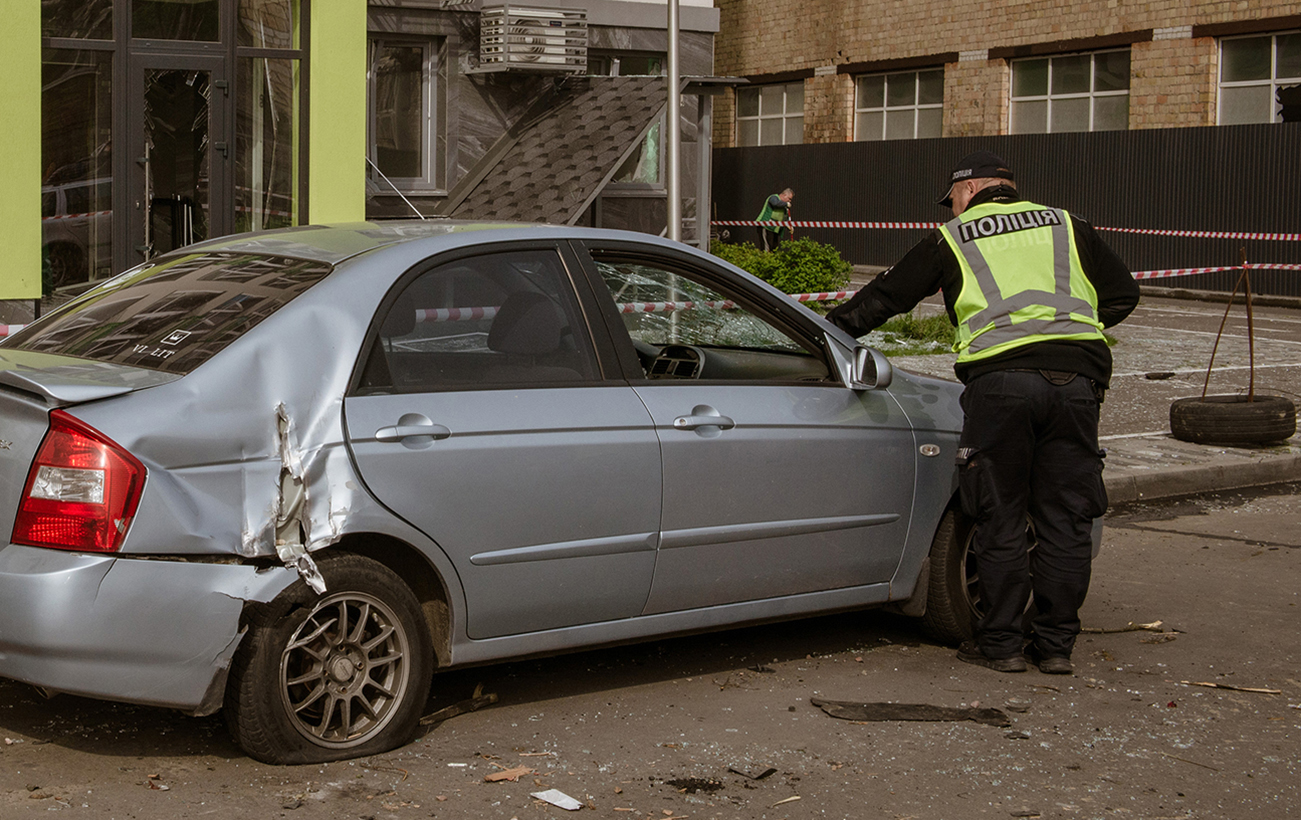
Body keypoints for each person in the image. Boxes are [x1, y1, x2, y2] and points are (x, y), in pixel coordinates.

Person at [826, 151, 1140, 675]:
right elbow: (1122, 294)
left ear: (969, 190)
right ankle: (1056, 647)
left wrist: (825, 336)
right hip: (1077, 384)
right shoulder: (1067, 224)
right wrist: (1065, 335)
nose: (950, 211)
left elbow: (887, 298)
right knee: (1065, 517)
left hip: (1001, 386)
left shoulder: (955, 236)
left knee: (1000, 512)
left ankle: (1000, 644)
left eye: (951, 201)